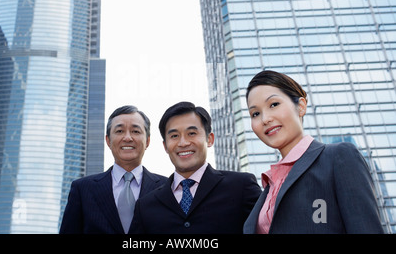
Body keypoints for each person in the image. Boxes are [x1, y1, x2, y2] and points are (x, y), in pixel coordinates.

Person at [243, 70, 384, 234]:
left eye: (274, 104)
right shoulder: (268, 188)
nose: (265, 119)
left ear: (301, 106)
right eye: (255, 113)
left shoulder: (338, 157)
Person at [129, 101, 262, 234]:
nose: (183, 143)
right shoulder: (145, 205)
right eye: (174, 136)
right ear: (165, 146)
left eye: (191, 133)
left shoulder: (241, 186)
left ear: (209, 139)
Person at [60, 105, 167, 234]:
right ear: (108, 140)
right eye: (120, 131)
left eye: (136, 131)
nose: (127, 138)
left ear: (148, 141)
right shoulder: (82, 189)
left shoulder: (168, 188)